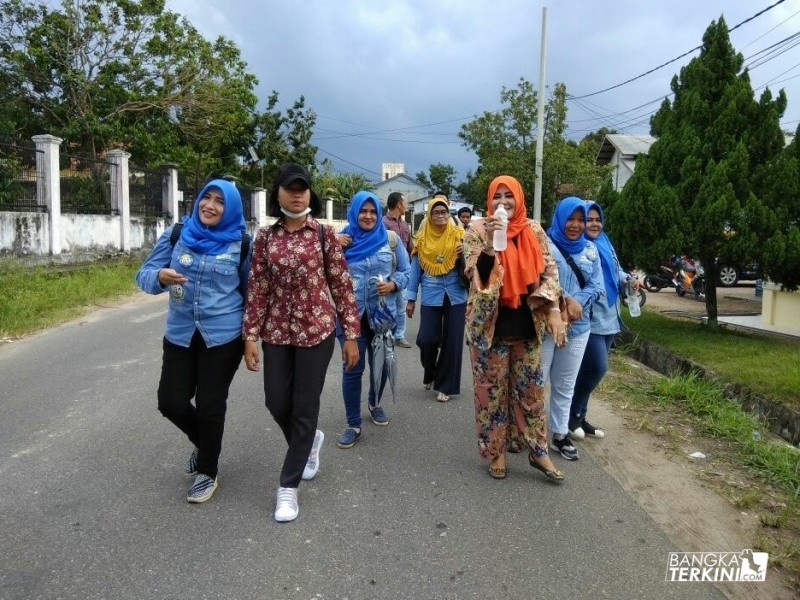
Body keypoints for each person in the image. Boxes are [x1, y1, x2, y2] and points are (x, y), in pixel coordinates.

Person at [242, 163, 360, 523]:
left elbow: (341, 286)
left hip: (317, 331)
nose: (297, 193)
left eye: (303, 188)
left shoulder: (324, 235)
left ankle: (288, 487)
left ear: (310, 194)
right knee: (276, 401)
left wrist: (350, 334)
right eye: (290, 187)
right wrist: (250, 334)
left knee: (304, 406)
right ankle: (308, 443)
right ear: (277, 192)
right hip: (276, 332)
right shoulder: (265, 237)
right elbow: (258, 287)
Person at [136, 179, 249, 504]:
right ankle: (205, 444)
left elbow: (250, 293)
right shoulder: (177, 235)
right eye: (206, 198)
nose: (210, 206)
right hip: (181, 334)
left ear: (230, 209)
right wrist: (158, 277)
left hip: (224, 336)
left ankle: (208, 471)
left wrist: (251, 337)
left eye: (219, 202)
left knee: (212, 404)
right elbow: (144, 274)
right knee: (170, 402)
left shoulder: (241, 244)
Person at [463, 176, 565, 482]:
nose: (503, 202)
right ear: (489, 200)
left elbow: (550, 271)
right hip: (489, 329)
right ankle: (497, 451)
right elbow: (474, 275)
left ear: (519, 199)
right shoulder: (477, 230)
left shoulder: (533, 229)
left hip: (528, 327)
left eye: (509, 196)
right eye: (497, 196)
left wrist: (555, 311)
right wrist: (491, 250)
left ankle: (539, 451)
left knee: (532, 393)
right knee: (490, 395)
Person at [335, 191, 411, 448]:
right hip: (350, 317)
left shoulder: (389, 240)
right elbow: (323, 273)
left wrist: (393, 285)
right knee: (352, 369)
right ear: (354, 212)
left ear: (378, 214)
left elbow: (406, 270)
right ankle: (353, 423)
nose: (367, 216)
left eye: (372, 211)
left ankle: (374, 402)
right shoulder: (342, 241)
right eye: (362, 211)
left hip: (382, 315)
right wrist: (333, 244)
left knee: (382, 366)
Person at [540, 197, 602, 461]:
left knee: (565, 384)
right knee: (536, 381)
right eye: (571, 219)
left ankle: (559, 434)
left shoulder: (591, 250)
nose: (576, 225)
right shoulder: (543, 244)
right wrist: (561, 303)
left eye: (581, 219)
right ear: (560, 217)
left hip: (579, 327)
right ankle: (528, 431)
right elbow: (537, 279)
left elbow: (597, 286)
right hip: (545, 325)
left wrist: (578, 301)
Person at [569, 201, 637, 440]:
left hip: (611, 315)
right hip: (591, 317)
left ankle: (581, 415)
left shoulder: (605, 242)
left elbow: (614, 271)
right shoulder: (582, 248)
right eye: (589, 219)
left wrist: (628, 278)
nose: (594, 224)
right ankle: (571, 415)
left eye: (598, 219)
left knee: (591, 370)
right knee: (597, 368)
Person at [406, 195, 467, 403]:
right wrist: (411, 298)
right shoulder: (422, 239)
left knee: (453, 341)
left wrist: (464, 251)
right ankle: (431, 372)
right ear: (429, 215)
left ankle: (446, 386)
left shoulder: (460, 235)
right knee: (426, 339)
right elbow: (415, 271)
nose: (440, 215)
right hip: (431, 293)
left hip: (457, 293)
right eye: (436, 212)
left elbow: (472, 266)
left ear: (449, 214)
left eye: (444, 212)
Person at [382, 191, 413, 348]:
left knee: (401, 305)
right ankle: (387, 334)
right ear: (399, 204)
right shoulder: (383, 223)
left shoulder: (405, 225)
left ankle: (399, 335)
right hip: (389, 273)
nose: (406, 206)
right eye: (405, 203)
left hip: (403, 272)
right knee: (389, 305)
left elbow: (409, 246)